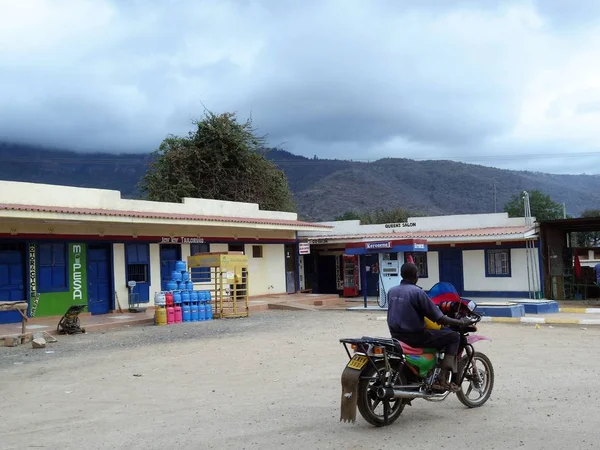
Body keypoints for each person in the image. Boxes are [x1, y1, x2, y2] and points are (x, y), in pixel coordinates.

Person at [387, 262, 472, 392]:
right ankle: (442, 379)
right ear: (416, 276)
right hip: (415, 337)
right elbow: (439, 318)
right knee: (453, 337)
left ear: (401, 275)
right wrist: (461, 322)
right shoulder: (417, 292)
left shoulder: (392, 291)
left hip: (396, 336)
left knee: (440, 334)